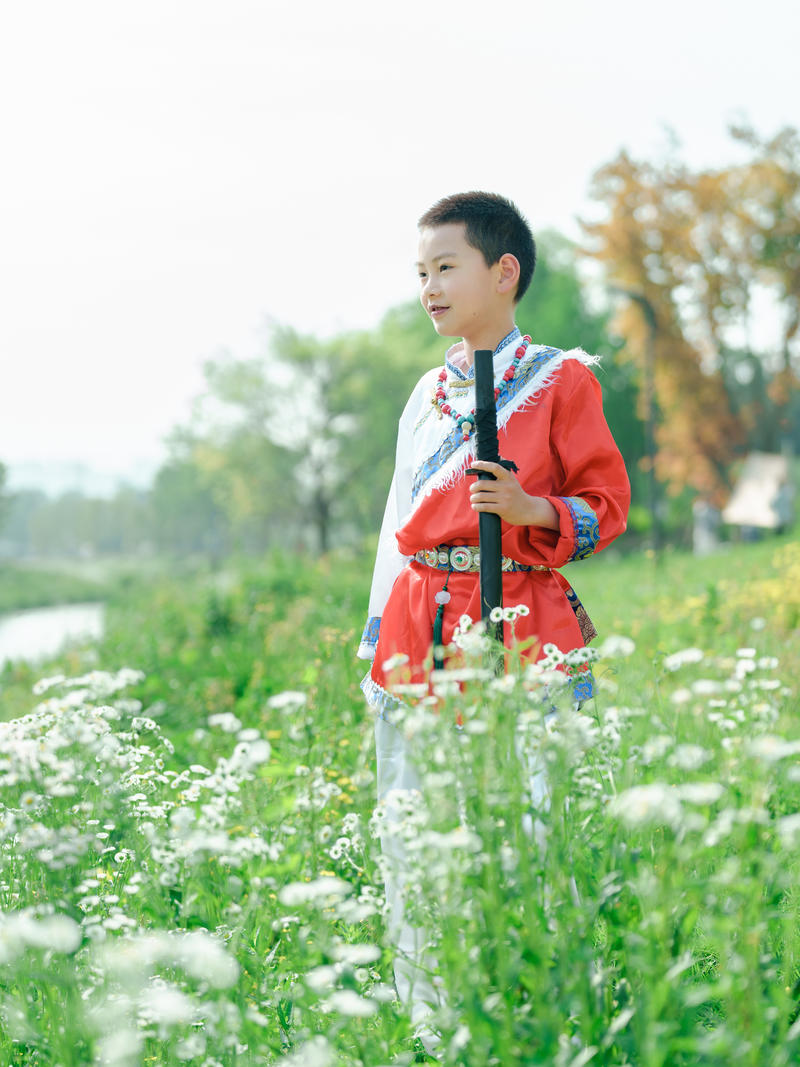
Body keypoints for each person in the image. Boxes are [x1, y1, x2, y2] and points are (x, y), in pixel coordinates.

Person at [357, 191, 630, 1053]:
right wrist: (376, 643)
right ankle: (434, 1022)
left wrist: (528, 504)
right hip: (419, 624)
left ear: (503, 272)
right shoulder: (426, 394)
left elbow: (606, 505)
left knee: (534, 820)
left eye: (447, 268)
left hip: (522, 616)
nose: (430, 288)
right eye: (422, 273)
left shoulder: (562, 379)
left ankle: (546, 1014)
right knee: (417, 824)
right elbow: (396, 521)